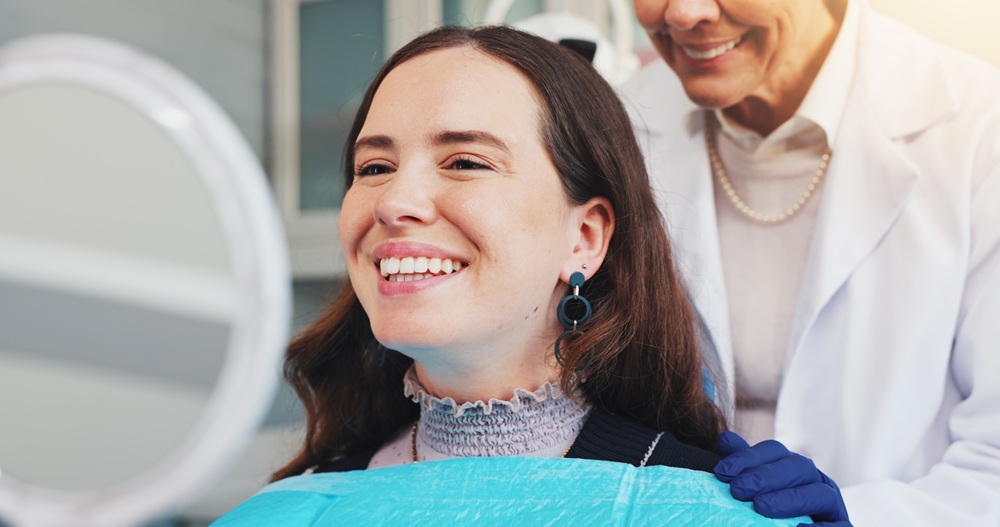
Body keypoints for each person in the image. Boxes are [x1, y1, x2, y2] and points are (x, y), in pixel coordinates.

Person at [211, 25, 844, 525]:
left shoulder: (695, 505)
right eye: (373, 166)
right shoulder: (297, 508)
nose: (392, 202)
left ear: (585, 236)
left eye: (464, 161)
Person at [621, 0, 1000, 525]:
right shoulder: (615, 126)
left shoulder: (980, 130)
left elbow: (995, 462)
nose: (684, 14)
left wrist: (862, 516)